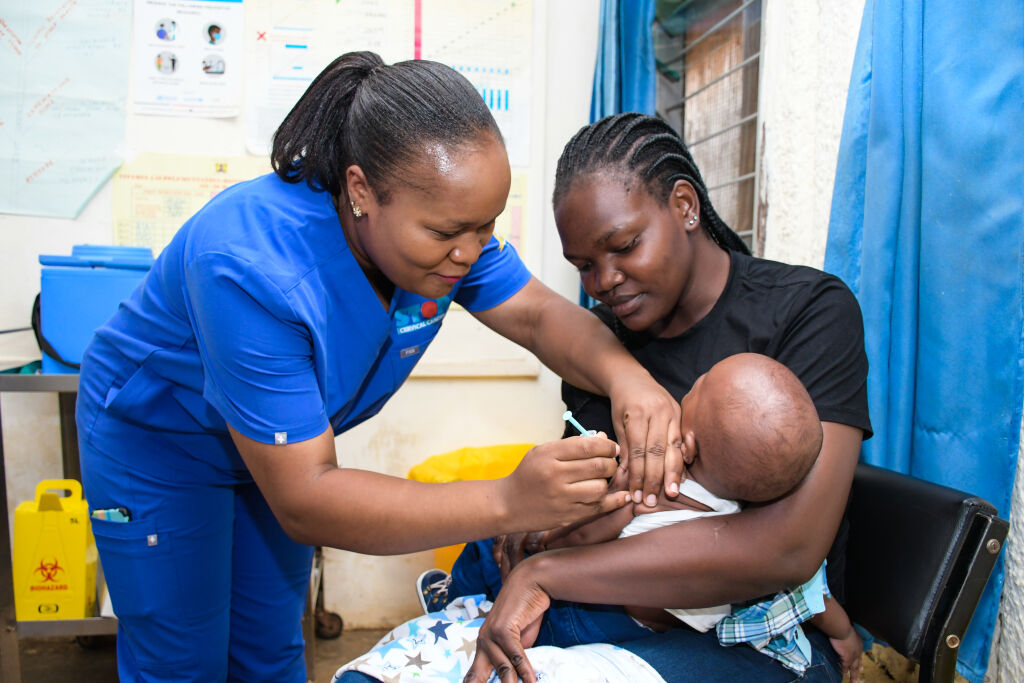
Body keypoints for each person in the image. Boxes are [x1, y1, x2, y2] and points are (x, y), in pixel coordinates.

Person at [75, 56, 683, 683]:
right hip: (160, 445)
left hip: (275, 453)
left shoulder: (444, 232)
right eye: (448, 232)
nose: (471, 253)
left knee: (269, 653)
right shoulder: (249, 265)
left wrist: (629, 381)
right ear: (361, 191)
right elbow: (307, 499)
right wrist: (508, 501)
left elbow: (534, 315)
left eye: (487, 227)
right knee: (182, 661)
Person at [457, 112, 872, 683]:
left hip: (763, 636)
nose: (603, 281)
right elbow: (588, 512)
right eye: (583, 265)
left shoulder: (806, 313)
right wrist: (537, 527)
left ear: (684, 206)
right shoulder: (604, 346)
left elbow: (788, 551)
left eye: (624, 246)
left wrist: (545, 572)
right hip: (604, 600)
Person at [416, 354, 863, 678]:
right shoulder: (757, 529)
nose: (694, 378)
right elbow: (812, 597)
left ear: (686, 446)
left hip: (592, 618)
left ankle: (457, 601)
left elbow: (578, 537)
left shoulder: (649, 487)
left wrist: (573, 510)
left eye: (701, 381)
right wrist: (844, 635)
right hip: (650, 632)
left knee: (488, 544)